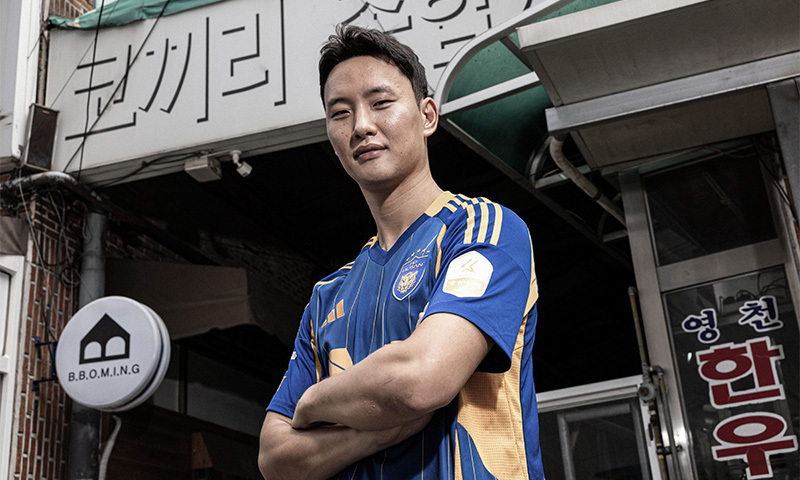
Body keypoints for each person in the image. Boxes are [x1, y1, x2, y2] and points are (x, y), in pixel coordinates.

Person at [258, 24, 544, 480]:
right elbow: (274, 457)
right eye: (340, 113)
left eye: (381, 103)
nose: (361, 126)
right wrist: (371, 435)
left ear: (427, 116)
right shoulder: (328, 295)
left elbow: (422, 379)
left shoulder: (483, 229)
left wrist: (312, 402)